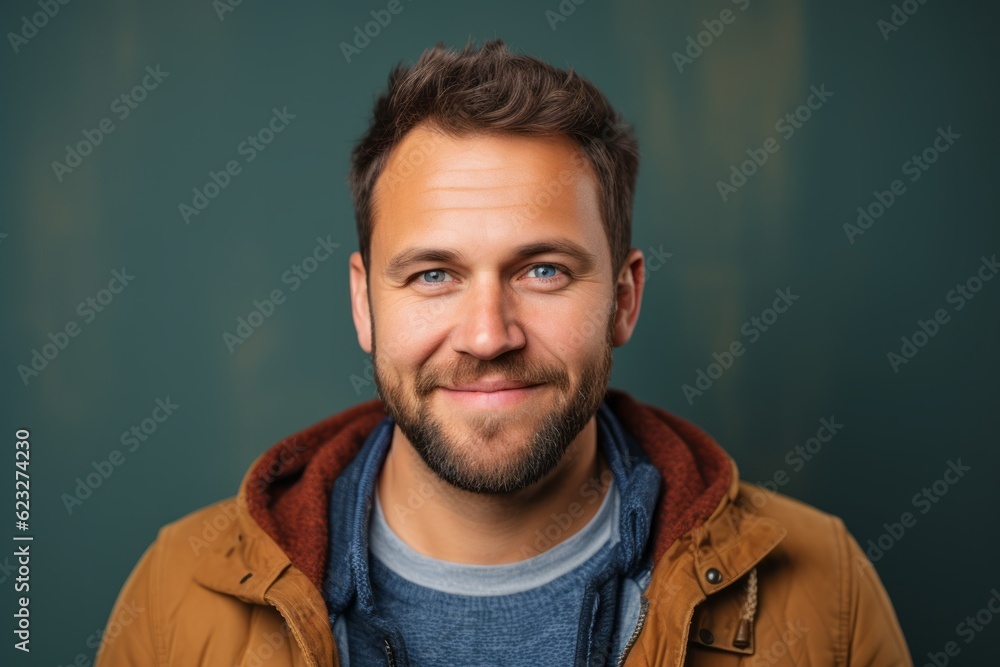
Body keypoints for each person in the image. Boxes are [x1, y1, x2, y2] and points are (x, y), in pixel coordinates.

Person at [96, 39, 913, 666]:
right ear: (363, 303)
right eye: (433, 274)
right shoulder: (179, 594)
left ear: (624, 299)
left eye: (544, 270)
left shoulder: (825, 592)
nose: (488, 336)